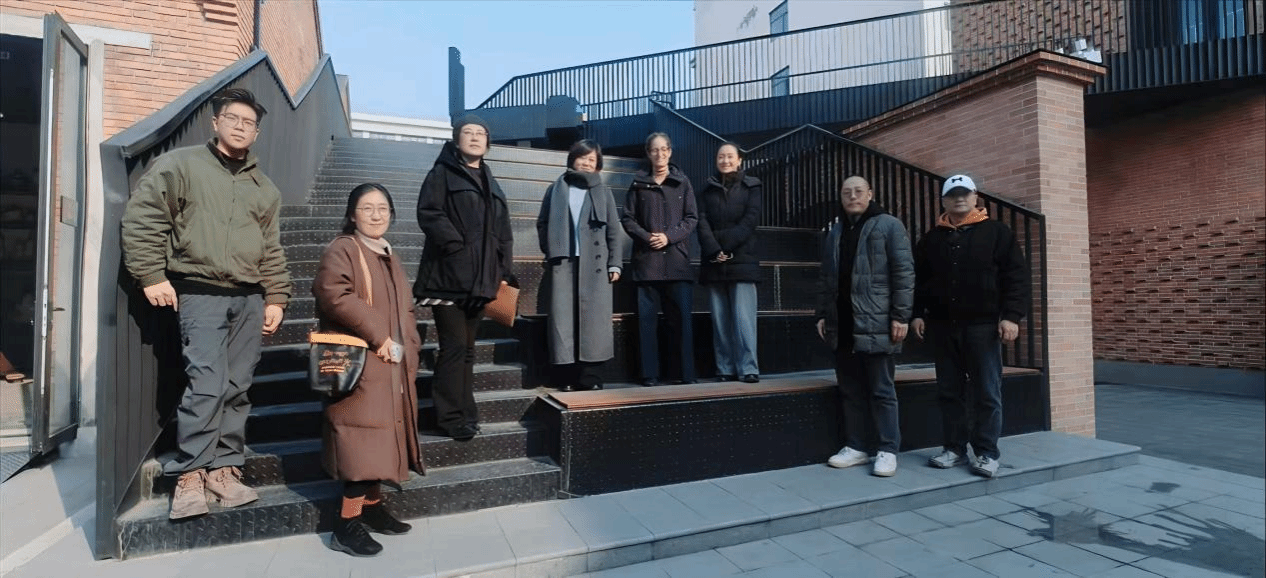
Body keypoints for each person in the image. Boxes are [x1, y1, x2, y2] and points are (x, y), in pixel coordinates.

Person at [121, 87, 290, 519]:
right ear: (215, 122)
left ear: (257, 132)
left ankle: (224, 468)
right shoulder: (180, 165)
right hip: (200, 293)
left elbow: (271, 248)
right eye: (232, 118)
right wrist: (151, 274)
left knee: (237, 386)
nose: (240, 127)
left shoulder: (264, 188)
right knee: (207, 384)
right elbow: (144, 218)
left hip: (249, 299)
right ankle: (191, 473)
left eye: (249, 123)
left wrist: (276, 295)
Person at [313, 183, 424, 557]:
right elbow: (334, 294)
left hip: (391, 362)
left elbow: (405, 310)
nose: (376, 215)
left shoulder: (388, 254)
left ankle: (372, 510)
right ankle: (345, 526)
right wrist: (381, 335)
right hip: (361, 363)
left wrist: (411, 349)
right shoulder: (344, 249)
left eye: (383, 208)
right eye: (367, 208)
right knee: (361, 445)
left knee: (379, 442)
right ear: (352, 214)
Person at [912, 174, 1029, 478]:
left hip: (983, 327)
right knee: (949, 392)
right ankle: (954, 449)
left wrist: (1011, 316)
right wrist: (917, 313)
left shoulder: (997, 233)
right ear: (944, 201)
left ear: (976, 197)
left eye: (965, 193)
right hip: (943, 327)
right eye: (953, 194)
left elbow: (1016, 277)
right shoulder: (931, 239)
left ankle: (986, 453)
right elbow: (919, 281)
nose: (959, 198)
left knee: (986, 392)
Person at [413, 115, 514, 440]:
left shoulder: (490, 180)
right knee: (454, 348)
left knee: (468, 350)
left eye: (480, 133)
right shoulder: (442, 173)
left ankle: (466, 413)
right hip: (448, 279)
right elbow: (429, 212)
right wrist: (456, 246)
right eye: (467, 132)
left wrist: (503, 271)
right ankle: (450, 418)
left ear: (488, 142)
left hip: (481, 282)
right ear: (457, 140)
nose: (474, 137)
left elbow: (503, 232)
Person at [815, 176, 914, 478]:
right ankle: (856, 447)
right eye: (846, 192)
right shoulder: (836, 231)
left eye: (858, 191)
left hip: (878, 321)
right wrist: (822, 314)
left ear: (870, 194)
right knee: (850, 390)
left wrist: (901, 316)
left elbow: (904, 273)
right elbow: (827, 277)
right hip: (843, 324)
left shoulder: (890, 225)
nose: (852, 196)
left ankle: (887, 449)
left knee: (882, 389)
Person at [536, 139, 626, 392]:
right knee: (564, 321)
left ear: (598, 165)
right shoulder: (556, 189)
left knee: (593, 323)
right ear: (572, 159)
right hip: (563, 262)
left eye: (592, 159)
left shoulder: (603, 191)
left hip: (594, 264)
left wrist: (615, 264)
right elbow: (542, 223)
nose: (586, 163)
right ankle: (566, 377)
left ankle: (591, 377)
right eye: (582, 157)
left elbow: (613, 231)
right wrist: (551, 249)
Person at [620, 132, 698, 387]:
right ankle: (649, 374)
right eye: (655, 150)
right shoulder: (638, 183)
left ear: (670, 152)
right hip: (647, 262)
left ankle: (684, 373)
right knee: (646, 323)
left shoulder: (682, 182)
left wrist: (668, 237)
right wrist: (646, 237)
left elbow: (691, 218)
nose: (660, 154)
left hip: (676, 261)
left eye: (664, 149)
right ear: (648, 153)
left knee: (681, 322)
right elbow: (628, 218)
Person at [697, 142, 762, 383]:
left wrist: (725, 245)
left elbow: (750, 220)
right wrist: (715, 249)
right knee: (720, 320)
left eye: (730, 156)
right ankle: (724, 368)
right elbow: (701, 221)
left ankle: (748, 368)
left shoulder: (752, 186)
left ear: (739, 160)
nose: (725, 160)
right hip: (714, 261)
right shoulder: (706, 190)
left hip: (742, 258)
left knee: (744, 320)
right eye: (721, 156)